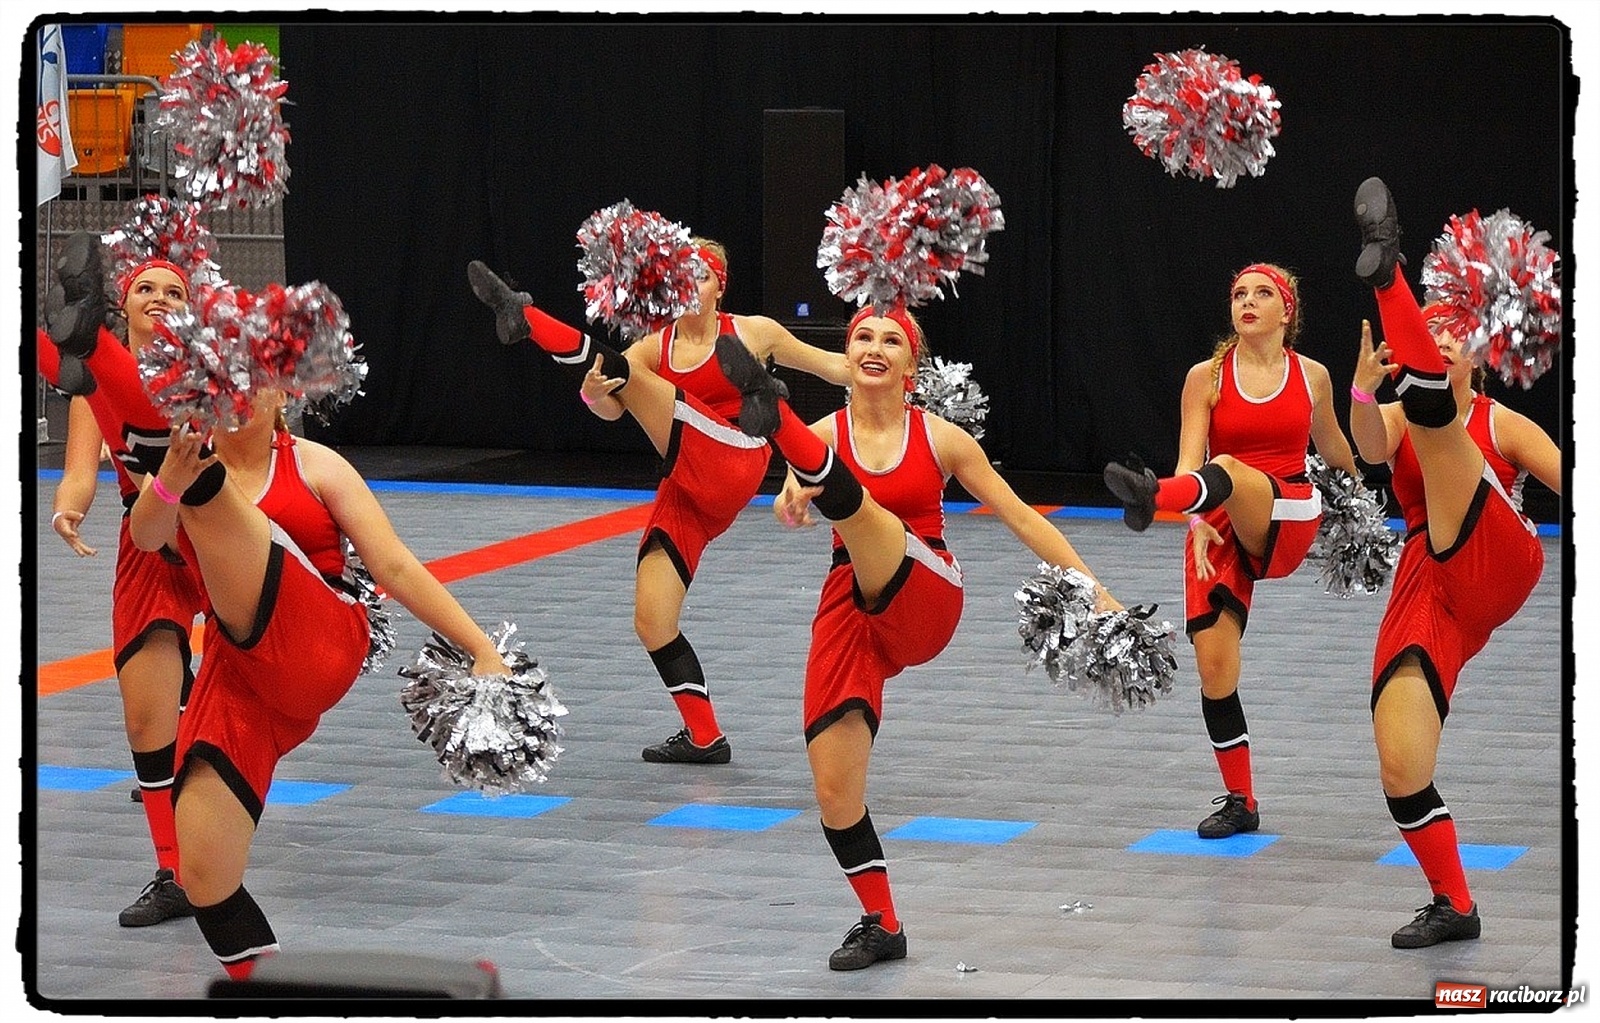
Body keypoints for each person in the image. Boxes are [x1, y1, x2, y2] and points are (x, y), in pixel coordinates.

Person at [44, 234, 513, 979]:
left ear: (282, 393)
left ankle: (87, 350)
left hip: (317, 635)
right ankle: (268, 987)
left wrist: (482, 647)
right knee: (204, 874)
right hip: (244, 676)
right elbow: (146, 532)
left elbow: (392, 564)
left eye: (250, 381)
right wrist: (163, 478)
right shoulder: (187, 457)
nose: (236, 396)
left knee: (215, 503)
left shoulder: (317, 464)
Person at [713, 307, 1122, 971]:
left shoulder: (939, 438)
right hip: (851, 604)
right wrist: (791, 498)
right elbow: (794, 491)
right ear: (848, 359)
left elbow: (1019, 515)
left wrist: (1093, 587)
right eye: (862, 338)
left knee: (870, 519)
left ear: (912, 366)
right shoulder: (827, 433)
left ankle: (770, 410)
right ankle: (883, 922)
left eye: (891, 339)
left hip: (925, 587)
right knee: (833, 789)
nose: (875, 347)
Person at [467, 240, 851, 764]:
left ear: (721, 285)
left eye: (702, 277)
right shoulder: (654, 348)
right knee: (652, 619)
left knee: (643, 381)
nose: (690, 286)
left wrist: (886, 361)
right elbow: (608, 407)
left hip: (738, 455)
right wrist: (593, 392)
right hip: (687, 484)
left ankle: (526, 315)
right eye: (681, 277)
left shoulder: (754, 330)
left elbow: (832, 367)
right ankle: (704, 736)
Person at [1348, 176, 1559, 948]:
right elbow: (1371, 449)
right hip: (1428, 587)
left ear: (1480, 353)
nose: (1438, 340)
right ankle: (1455, 904)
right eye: (1425, 331)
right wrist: (1366, 394)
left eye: (1450, 333)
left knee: (1443, 432)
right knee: (1400, 761)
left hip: (1498, 555)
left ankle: (1390, 274)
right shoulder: (1402, 408)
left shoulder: (1502, 421)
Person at [1103, 262, 1359, 839]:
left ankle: (1152, 498)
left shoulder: (1312, 375)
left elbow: (1336, 446)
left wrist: (1362, 502)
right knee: (1215, 669)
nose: (1247, 302)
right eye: (1239, 293)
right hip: (1217, 517)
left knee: (1230, 470)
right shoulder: (1206, 376)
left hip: (1289, 511)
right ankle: (1241, 800)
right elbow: (1190, 459)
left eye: (1262, 293)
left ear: (1286, 309)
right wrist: (1194, 522)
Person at [40, 252, 206, 927]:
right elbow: (82, 470)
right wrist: (67, 507)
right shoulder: (88, 389)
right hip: (148, 541)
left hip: (216, 533)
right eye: (146, 288)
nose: (160, 297)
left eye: (174, 290)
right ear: (125, 304)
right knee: (145, 721)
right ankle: (175, 873)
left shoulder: (205, 377)